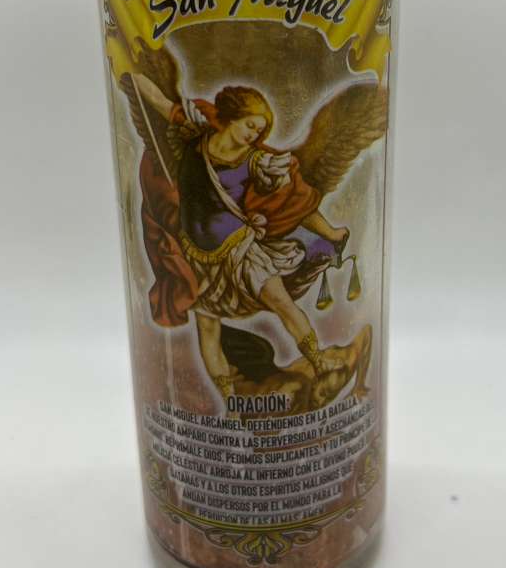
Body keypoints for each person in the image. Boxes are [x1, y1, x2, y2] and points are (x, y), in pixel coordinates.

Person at [134, 74, 366, 407]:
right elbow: (155, 99)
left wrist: (330, 233)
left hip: (240, 250)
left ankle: (317, 361)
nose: (254, 135)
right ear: (231, 118)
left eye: (259, 130)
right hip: (196, 256)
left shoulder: (257, 162)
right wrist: (129, 71)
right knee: (208, 329)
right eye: (250, 125)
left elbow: (296, 206)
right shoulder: (193, 134)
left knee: (282, 303)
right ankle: (229, 401)